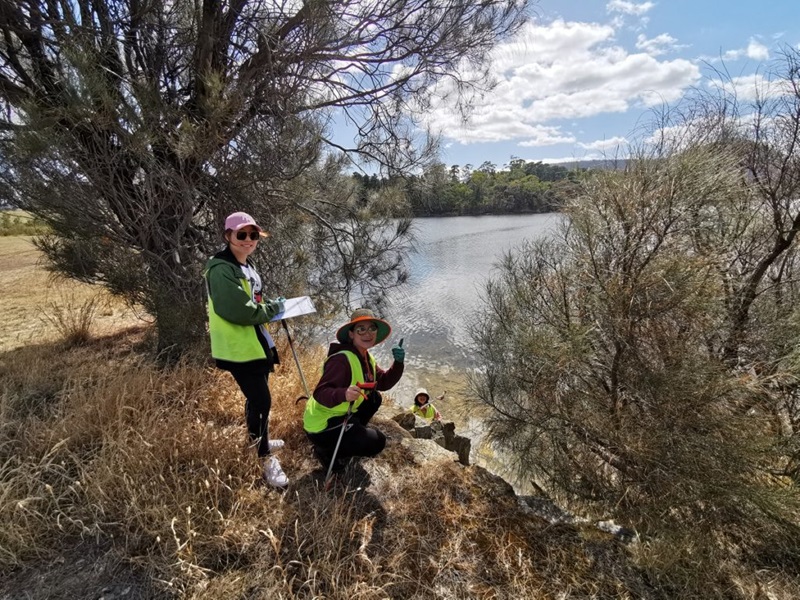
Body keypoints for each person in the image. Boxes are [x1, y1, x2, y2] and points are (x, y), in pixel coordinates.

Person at [204, 211, 288, 488]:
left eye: (253, 235)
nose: (248, 240)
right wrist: (275, 308)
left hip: (255, 344)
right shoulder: (220, 268)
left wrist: (269, 305)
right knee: (262, 401)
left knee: (257, 399)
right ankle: (265, 458)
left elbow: (254, 301)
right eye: (242, 234)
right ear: (228, 236)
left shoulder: (245, 265)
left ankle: (257, 438)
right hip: (239, 349)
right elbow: (239, 311)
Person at [303, 308, 405, 473]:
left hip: (340, 415)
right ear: (351, 334)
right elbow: (320, 393)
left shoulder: (365, 356)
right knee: (377, 442)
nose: (367, 333)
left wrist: (398, 363)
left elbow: (383, 383)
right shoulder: (341, 360)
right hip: (322, 426)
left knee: (374, 398)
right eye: (361, 329)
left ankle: (351, 432)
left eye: (372, 328)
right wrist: (343, 394)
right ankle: (325, 451)